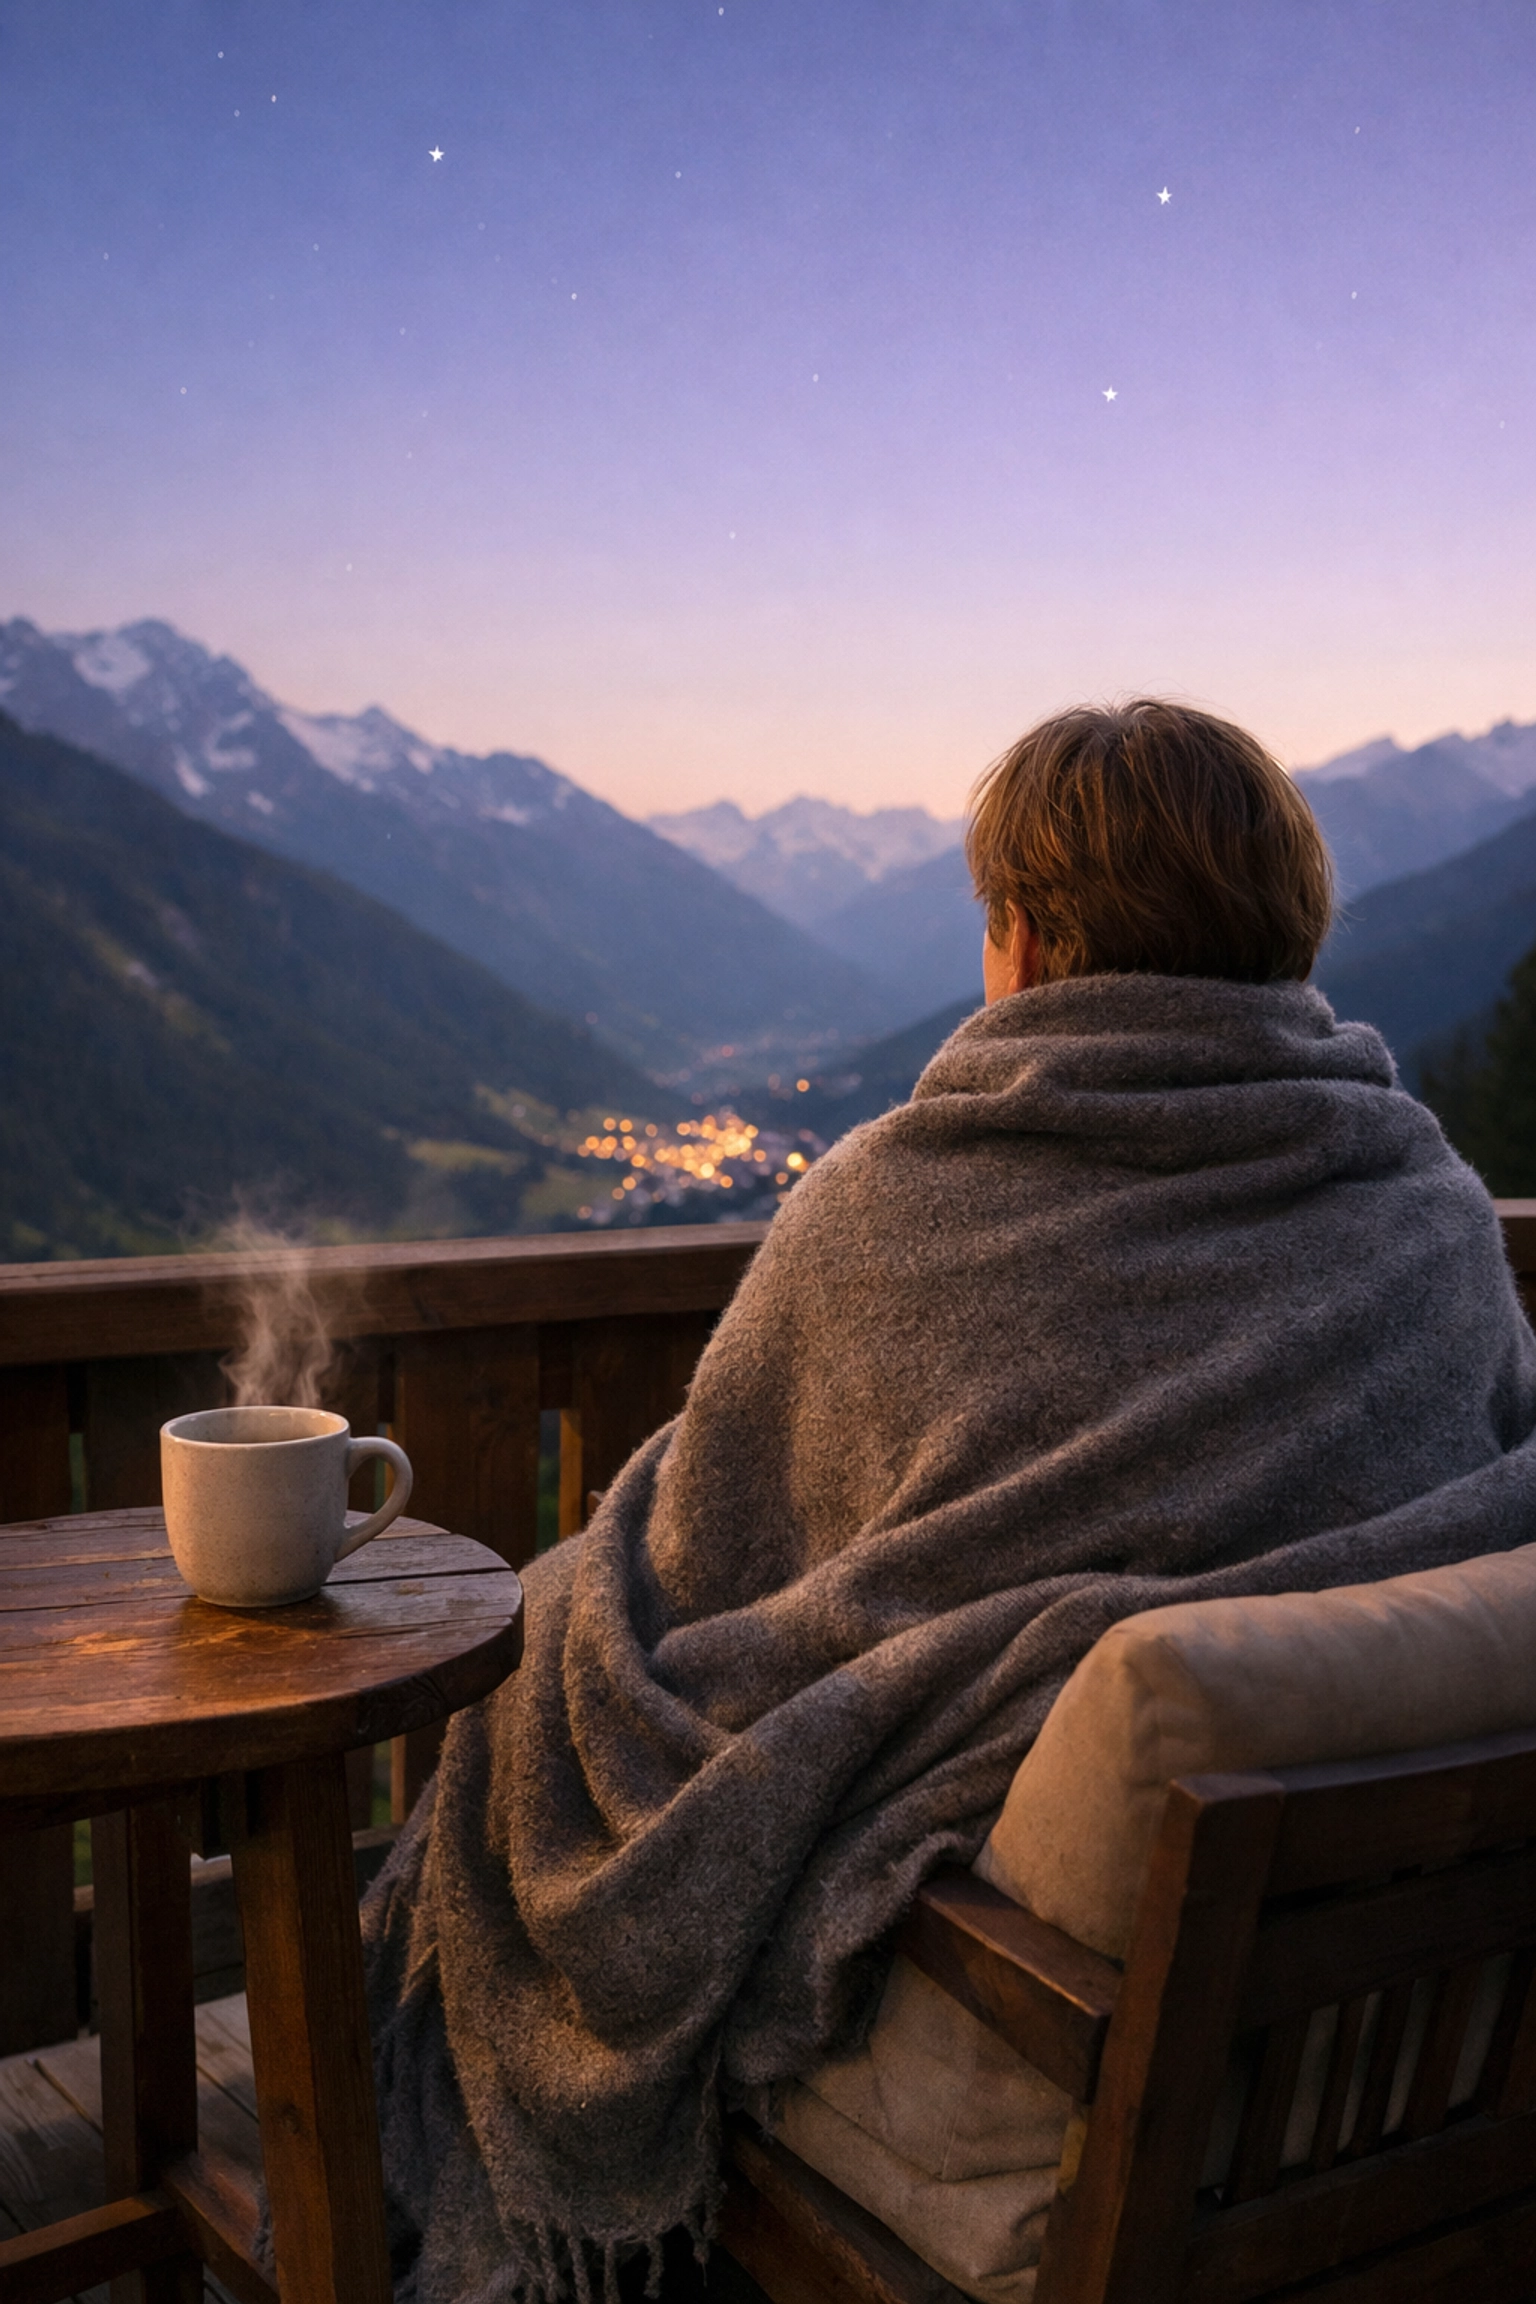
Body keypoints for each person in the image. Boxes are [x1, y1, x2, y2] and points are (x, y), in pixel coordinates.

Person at [365, 699, 1536, 2304]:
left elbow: (708, 1594)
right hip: (1394, 2037)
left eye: (991, 917)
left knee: (572, 1648)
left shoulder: (888, 1215)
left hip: (1057, 2028)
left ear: (1031, 935)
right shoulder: (1433, 1224)